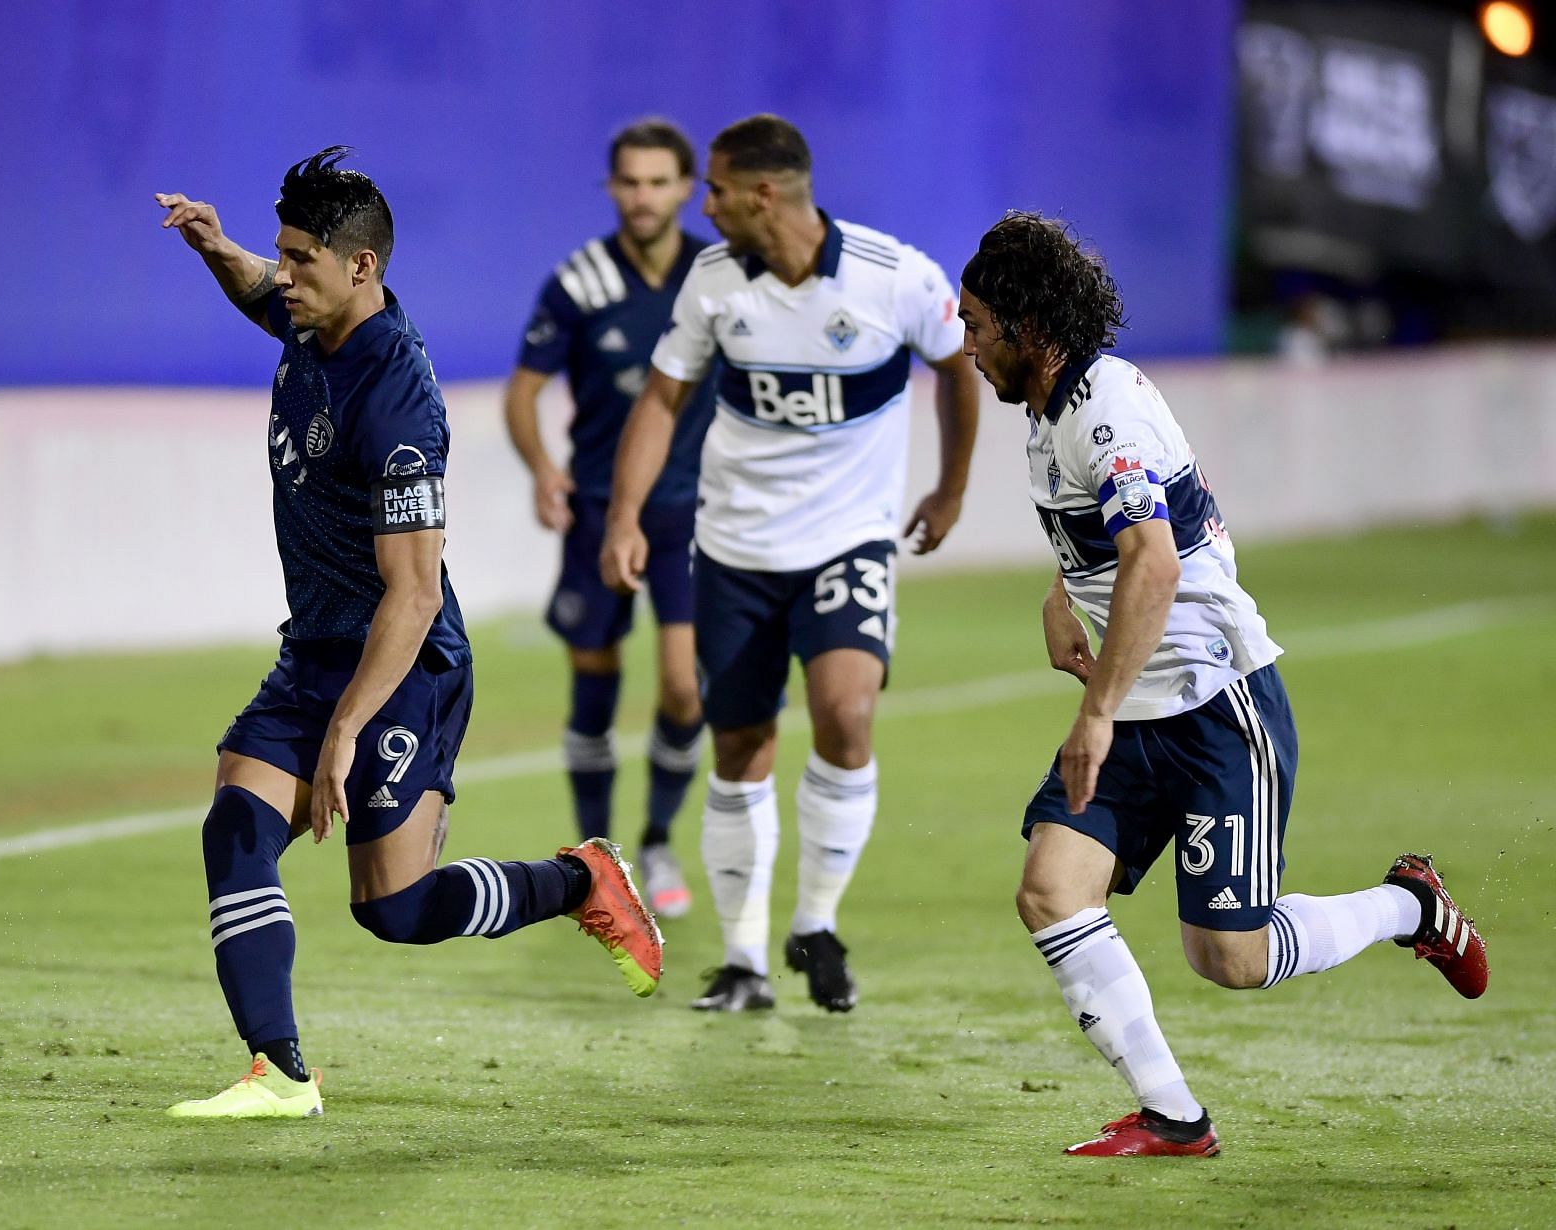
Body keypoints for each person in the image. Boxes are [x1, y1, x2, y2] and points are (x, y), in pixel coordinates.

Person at [956, 211, 1489, 1157]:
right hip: (1139, 707)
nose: (967, 345)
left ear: (1031, 330)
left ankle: (1410, 905)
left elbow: (1153, 563)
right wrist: (1057, 593)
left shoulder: (1105, 407)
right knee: (1050, 890)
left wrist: (1096, 712)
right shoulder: (1048, 412)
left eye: (978, 325)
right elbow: (1117, 532)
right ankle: (1175, 1117)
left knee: (1231, 959)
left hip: (1213, 706)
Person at [153, 148, 663, 1120]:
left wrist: (347, 729)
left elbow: (417, 593)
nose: (284, 274)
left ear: (364, 269)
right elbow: (260, 289)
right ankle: (280, 1071)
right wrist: (215, 248)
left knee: (395, 909)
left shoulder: (399, 400)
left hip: (404, 667)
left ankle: (578, 880)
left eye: (303, 260)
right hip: (315, 650)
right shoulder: (312, 315)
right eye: (282, 253)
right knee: (235, 826)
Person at [599, 115, 981, 1013]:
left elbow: (960, 366)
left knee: (846, 713)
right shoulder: (714, 282)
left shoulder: (895, 277)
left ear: (762, 195)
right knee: (739, 745)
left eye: (717, 189)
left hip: (847, 542)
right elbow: (662, 398)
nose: (705, 204)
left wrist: (951, 490)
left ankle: (815, 922)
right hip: (733, 549)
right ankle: (743, 960)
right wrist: (625, 515)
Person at [504, 118, 719, 919]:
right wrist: (544, 468)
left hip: (692, 513)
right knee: (594, 673)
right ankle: (599, 858)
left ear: (688, 189)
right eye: (629, 182)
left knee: (681, 687)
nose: (643, 197)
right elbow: (523, 390)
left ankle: (657, 835)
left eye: (659, 182)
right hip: (598, 507)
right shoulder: (580, 280)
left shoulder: (720, 273)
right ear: (611, 188)